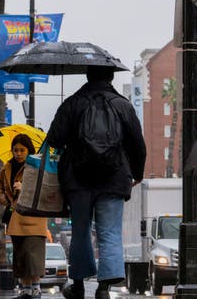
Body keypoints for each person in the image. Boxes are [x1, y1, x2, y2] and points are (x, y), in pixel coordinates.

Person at [46, 66, 146, 299]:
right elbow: (138, 145)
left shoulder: (72, 103)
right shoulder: (123, 105)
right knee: (109, 232)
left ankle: (79, 285)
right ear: (111, 77)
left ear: (87, 76)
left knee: (80, 231)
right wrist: (136, 173)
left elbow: (54, 139)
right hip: (114, 178)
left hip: (78, 179)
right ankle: (104, 288)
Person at [0, 134, 46, 299]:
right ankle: (26, 288)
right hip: (15, 217)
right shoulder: (7, 167)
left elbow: (45, 188)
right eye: (15, 150)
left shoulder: (37, 166)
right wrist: (1, 197)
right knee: (20, 254)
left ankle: (36, 288)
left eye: (22, 150)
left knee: (33, 255)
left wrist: (25, 187)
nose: (18, 153)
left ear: (29, 150)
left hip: (34, 217)